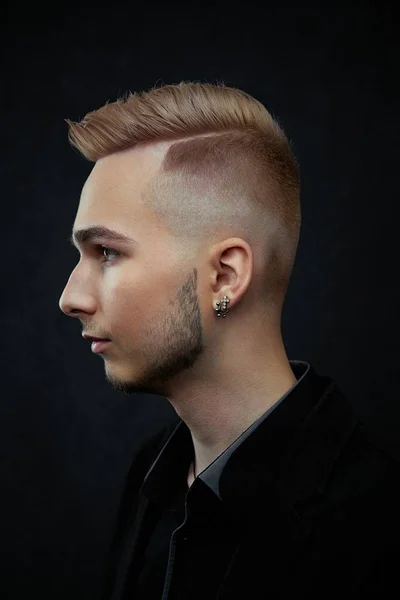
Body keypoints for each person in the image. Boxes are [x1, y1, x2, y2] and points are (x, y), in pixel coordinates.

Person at [58, 82, 400, 600]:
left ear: (225, 276)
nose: (70, 297)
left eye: (105, 252)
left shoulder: (375, 528)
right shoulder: (152, 477)